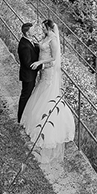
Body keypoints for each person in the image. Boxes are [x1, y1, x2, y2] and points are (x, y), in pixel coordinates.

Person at [20, 19, 75, 162]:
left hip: (48, 71)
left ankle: (47, 126)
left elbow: (54, 58)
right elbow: (41, 48)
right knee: (40, 93)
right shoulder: (45, 38)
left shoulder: (54, 39)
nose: (41, 29)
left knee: (47, 94)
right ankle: (35, 119)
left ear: (47, 27)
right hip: (43, 73)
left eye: (43, 27)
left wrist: (40, 63)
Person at [16, 22, 40, 124]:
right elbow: (28, 64)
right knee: (25, 96)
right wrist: (42, 66)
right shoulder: (24, 46)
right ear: (27, 32)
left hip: (30, 75)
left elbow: (34, 51)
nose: (34, 31)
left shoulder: (29, 41)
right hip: (28, 76)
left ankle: (25, 116)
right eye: (32, 29)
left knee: (28, 95)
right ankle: (21, 118)